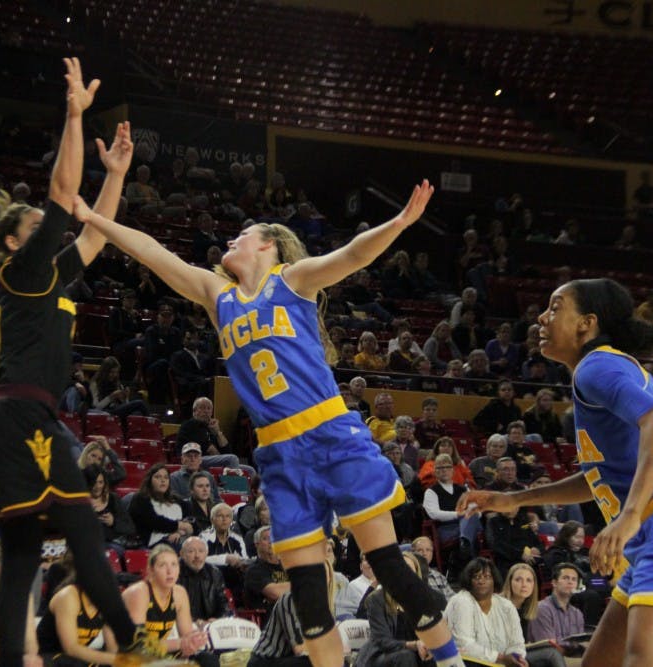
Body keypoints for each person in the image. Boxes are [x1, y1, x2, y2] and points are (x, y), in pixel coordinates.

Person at [74, 179, 463, 667]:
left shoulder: (292, 279)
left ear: (269, 244)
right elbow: (156, 255)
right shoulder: (218, 295)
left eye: (242, 235)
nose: (230, 242)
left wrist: (401, 222)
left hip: (330, 435)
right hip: (280, 454)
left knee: (391, 567)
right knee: (307, 595)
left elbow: (351, 255)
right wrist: (96, 220)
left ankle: (452, 662)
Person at [0, 59, 159, 665]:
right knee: (80, 526)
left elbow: (95, 234)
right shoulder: (21, 270)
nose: (51, 233)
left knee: (23, 555)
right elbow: (61, 195)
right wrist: (74, 117)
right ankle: (131, 645)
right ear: (15, 243)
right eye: (38, 228)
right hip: (20, 417)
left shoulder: (47, 277)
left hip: (14, 420)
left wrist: (117, 176)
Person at [458, 278, 653, 667]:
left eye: (556, 307)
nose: (542, 317)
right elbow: (598, 480)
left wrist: (627, 516)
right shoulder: (600, 373)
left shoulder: (595, 365)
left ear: (586, 323)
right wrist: (515, 498)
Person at [121, 545, 216, 666]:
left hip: (161, 654)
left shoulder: (179, 593)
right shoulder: (138, 593)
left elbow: (187, 638)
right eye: (162, 565)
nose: (170, 571)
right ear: (151, 570)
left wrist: (194, 642)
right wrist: (180, 643)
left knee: (208, 660)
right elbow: (137, 644)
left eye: (174, 565)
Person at [354, 551, 444, 667]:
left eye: (409, 570)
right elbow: (382, 641)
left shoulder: (422, 600)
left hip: (415, 651)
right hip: (382, 655)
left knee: (433, 655)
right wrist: (414, 644)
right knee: (406, 656)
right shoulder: (376, 600)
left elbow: (433, 631)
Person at [36, 551, 122, 666]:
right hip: (46, 657)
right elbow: (70, 648)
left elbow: (113, 647)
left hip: (75, 659)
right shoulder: (68, 596)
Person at [129, 462, 194, 548]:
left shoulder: (176, 499)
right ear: (149, 480)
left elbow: (191, 517)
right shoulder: (141, 498)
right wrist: (179, 525)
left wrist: (179, 532)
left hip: (180, 538)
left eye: (166, 477)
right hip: (153, 543)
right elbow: (154, 521)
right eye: (158, 477)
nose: (163, 480)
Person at [177, 537, 230, 627]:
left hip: (210, 626)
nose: (197, 556)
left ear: (206, 553)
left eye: (201, 551)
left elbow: (223, 605)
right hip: (181, 626)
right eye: (191, 551)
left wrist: (217, 620)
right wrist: (194, 622)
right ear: (182, 554)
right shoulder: (174, 572)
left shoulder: (214, 573)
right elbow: (171, 608)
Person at [529, 563, 585, 644]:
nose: (570, 582)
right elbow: (548, 647)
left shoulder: (577, 613)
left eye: (574, 579)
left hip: (573, 655)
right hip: (549, 655)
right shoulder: (541, 609)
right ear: (554, 583)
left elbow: (580, 644)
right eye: (565, 578)